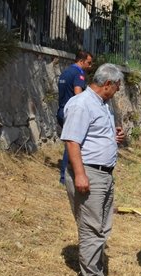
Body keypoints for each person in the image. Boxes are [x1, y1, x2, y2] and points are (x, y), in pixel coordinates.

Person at [61, 63, 126, 276]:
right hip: (89, 172)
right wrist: (80, 174)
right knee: (90, 226)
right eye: (117, 87)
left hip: (105, 174)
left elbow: (95, 135)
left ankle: (96, 272)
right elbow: (72, 141)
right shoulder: (81, 104)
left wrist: (115, 136)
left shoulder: (104, 105)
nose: (117, 91)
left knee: (102, 225)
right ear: (107, 84)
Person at [58, 50, 94, 184]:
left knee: (71, 142)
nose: (90, 66)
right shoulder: (79, 74)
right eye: (89, 63)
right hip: (72, 113)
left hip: (62, 110)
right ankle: (66, 177)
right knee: (74, 144)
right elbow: (78, 95)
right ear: (81, 61)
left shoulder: (65, 72)